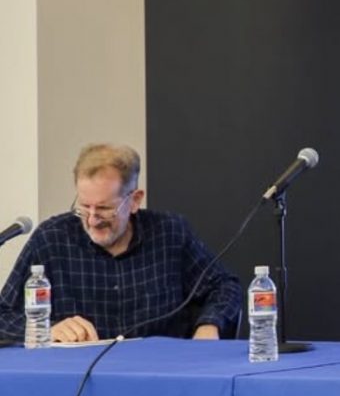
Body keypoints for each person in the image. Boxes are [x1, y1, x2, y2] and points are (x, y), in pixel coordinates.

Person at [0, 143, 240, 342]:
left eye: (104, 208)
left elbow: (225, 287)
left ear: (135, 200)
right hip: (76, 380)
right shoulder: (51, 239)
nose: (92, 220)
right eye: (84, 207)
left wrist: (210, 325)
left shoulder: (171, 233)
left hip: (161, 373)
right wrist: (46, 329)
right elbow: (3, 315)